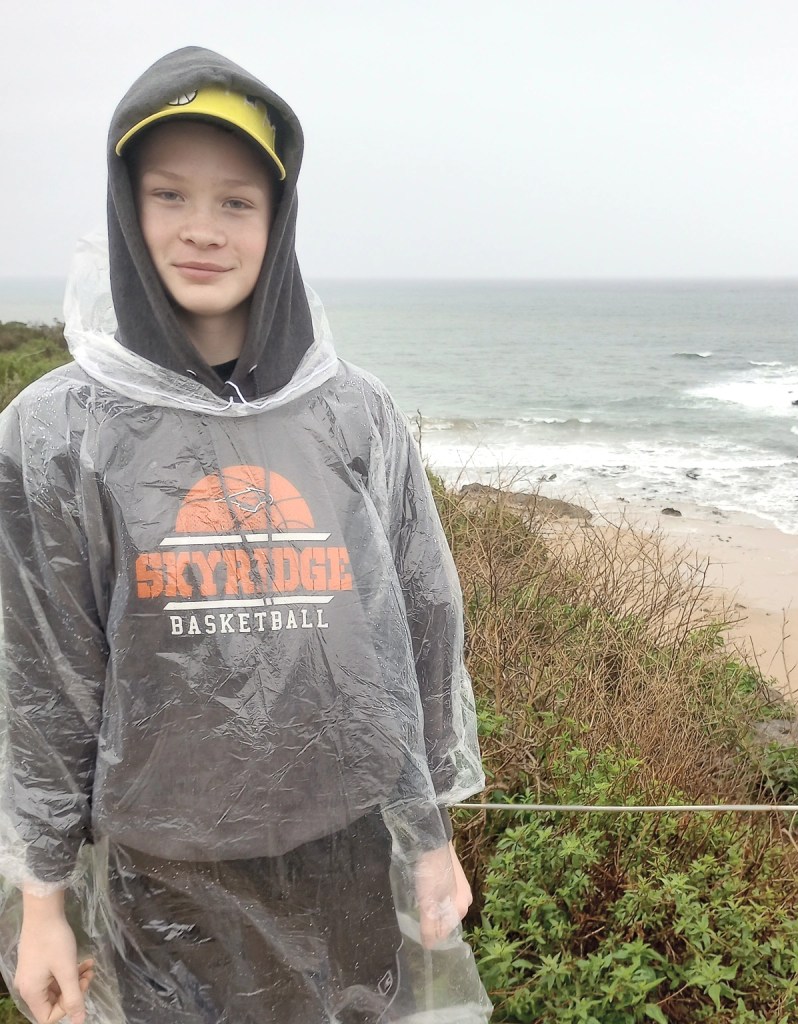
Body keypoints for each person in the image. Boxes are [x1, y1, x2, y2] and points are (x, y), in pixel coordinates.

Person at [0, 46, 490, 1024]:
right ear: (126, 208)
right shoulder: (57, 432)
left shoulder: (353, 414)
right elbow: (41, 681)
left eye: (236, 201)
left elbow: (419, 629)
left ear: (278, 218)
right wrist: (42, 903)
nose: (202, 228)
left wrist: (430, 833)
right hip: (162, 880)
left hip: (348, 854)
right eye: (170, 194)